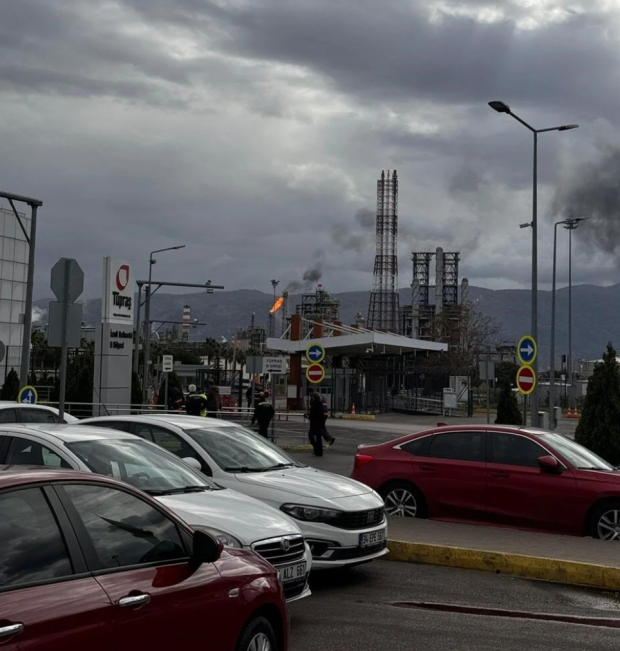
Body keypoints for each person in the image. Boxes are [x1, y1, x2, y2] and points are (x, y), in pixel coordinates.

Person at [307, 392, 325, 456]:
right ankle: (318, 451)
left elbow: (313, 415)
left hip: (315, 423)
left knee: (311, 435)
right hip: (319, 423)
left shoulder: (314, 405)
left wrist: (308, 416)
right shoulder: (320, 404)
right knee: (318, 437)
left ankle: (316, 449)